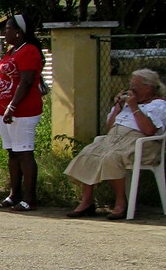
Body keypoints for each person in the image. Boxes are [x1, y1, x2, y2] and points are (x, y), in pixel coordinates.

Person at [65, 68, 166, 220]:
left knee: (112, 157)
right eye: (130, 85)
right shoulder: (128, 102)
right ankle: (87, 201)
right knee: (88, 153)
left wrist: (134, 107)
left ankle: (121, 203)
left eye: (135, 86)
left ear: (149, 87)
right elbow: (108, 129)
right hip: (114, 138)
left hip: (140, 142)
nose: (131, 89)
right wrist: (118, 107)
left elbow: (149, 130)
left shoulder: (158, 105)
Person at [0, 13, 45, 212]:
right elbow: (2, 77)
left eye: (9, 28)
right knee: (12, 153)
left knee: (24, 152)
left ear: (19, 32)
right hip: (3, 110)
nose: (5, 32)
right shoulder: (12, 51)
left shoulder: (29, 51)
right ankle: (14, 194)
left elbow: (27, 81)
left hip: (22, 111)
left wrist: (12, 106)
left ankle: (30, 198)